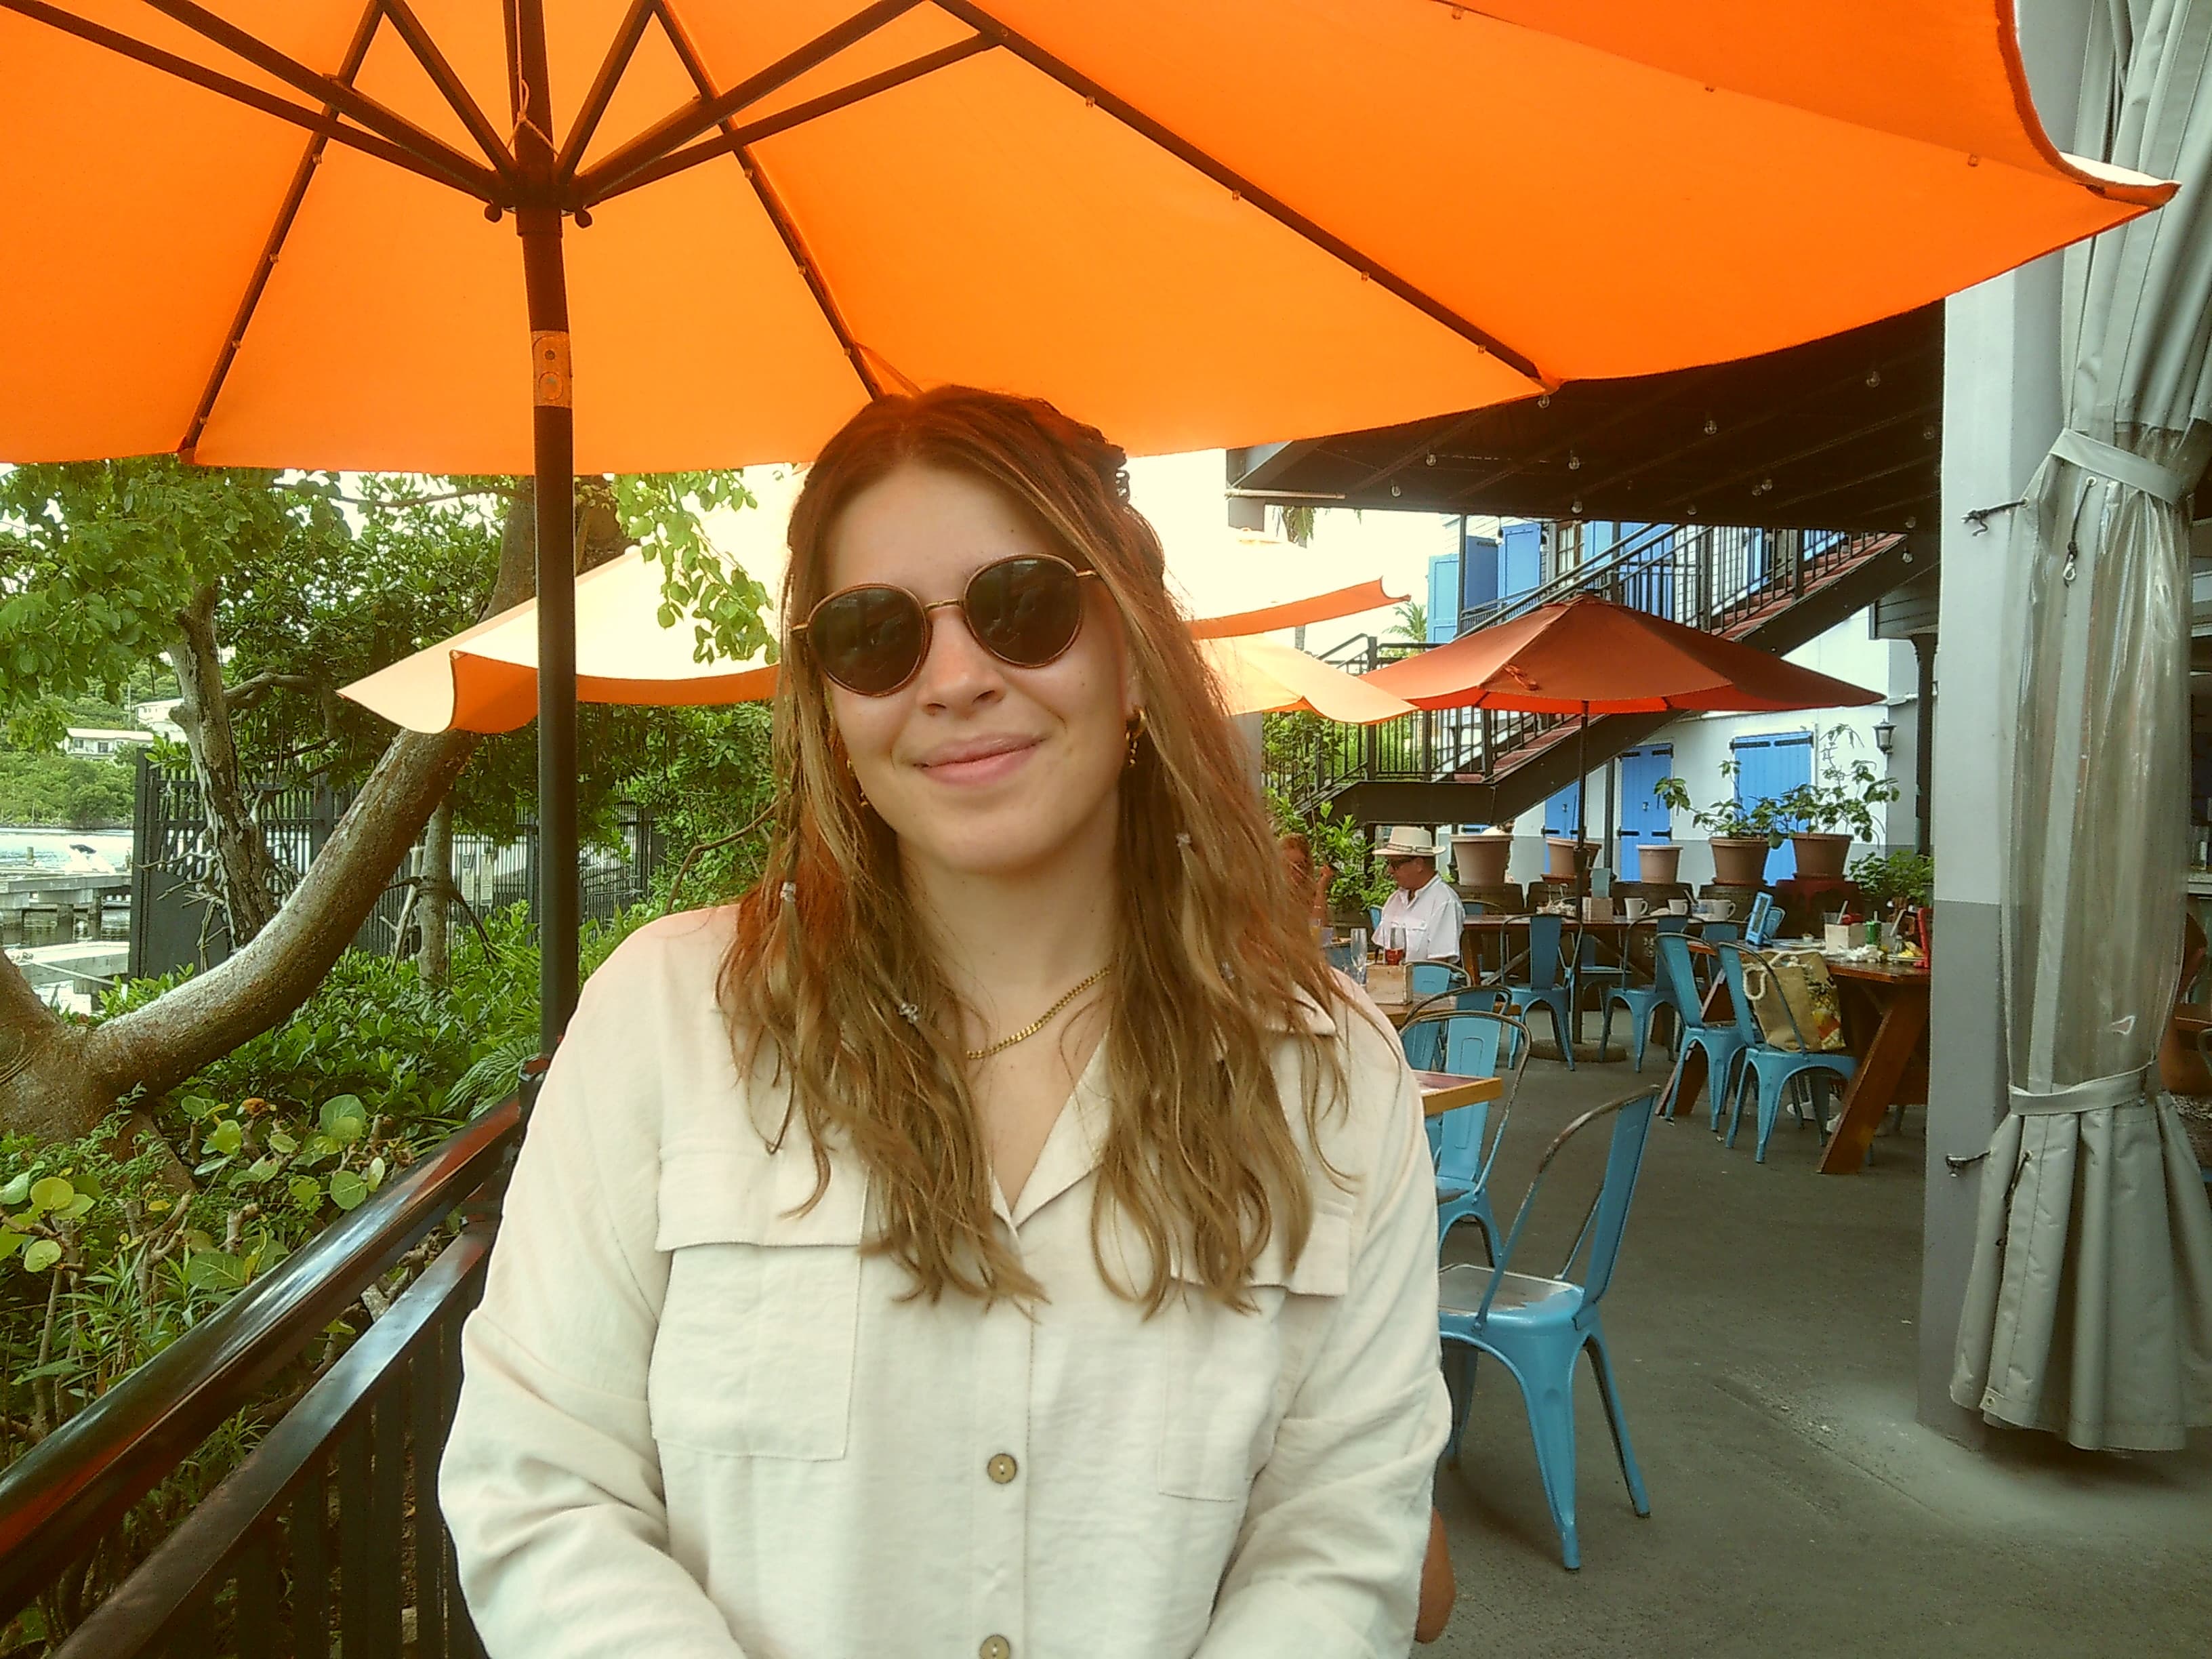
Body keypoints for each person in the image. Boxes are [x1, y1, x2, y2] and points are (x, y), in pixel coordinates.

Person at [440, 387, 1450, 1658]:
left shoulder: (1327, 1070)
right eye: (874, 636)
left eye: (1020, 606)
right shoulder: (665, 1021)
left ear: (1128, 649)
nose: (957, 679)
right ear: (829, 702)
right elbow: (544, 1482)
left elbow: (1338, 1532)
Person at [1374, 826, 1468, 965]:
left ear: (1418, 864)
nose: (1390, 870)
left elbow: (1438, 967)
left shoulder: (1444, 901)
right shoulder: (1395, 899)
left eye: (1395, 864)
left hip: (1422, 984)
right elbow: (1381, 951)